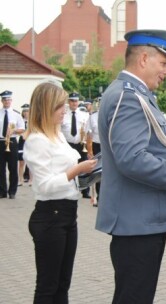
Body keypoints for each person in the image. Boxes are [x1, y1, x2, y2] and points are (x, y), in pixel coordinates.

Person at [95, 29, 166, 303]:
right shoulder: (128, 96)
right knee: (134, 297)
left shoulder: (134, 94)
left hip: (140, 220)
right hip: (136, 221)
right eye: (164, 63)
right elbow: (131, 158)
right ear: (144, 58)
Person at [24, 80, 97, 303]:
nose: (64, 110)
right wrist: (76, 171)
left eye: (65, 105)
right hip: (50, 215)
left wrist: (89, 173)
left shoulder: (57, 135)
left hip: (66, 213)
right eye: (59, 106)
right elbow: (45, 184)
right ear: (46, 108)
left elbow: (67, 175)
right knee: (48, 286)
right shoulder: (37, 140)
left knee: (62, 284)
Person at [61, 92, 90, 199]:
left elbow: (88, 131)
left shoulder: (84, 115)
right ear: (69, 102)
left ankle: (85, 190)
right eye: (72, 101)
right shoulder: (63, 115)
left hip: (81, 144)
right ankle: (68, 187)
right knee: (68, 167)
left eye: (76, 101)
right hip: (68, 145)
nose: (74, 103)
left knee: (84, 167)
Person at [0, 90, 25, 199]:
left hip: (12, 142)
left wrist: (13, 132)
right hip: (0, 142)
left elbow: (22, 129)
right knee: (1, 169)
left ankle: (12, 191)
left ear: (11, 101)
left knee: (13, 167)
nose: (7, 101)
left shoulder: (16, 114)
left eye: (8, 99)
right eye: (5, 99)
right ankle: (2, 191)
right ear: (2, 101)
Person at [85, 99, 100, 207]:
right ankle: (99, 197)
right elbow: (89, 134)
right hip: (97, 145)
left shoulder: (114, 114)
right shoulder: (93, 117)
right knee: (98, 172)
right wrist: (89, 151)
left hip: (109, 145)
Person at [18, 103, 30, 186]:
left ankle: (30, 180)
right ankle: (20, 179)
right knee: (21, 161)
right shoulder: (20, 120)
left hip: (30, 141)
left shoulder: (33, 121)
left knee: (30, 161)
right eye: (24, 111)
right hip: (22, 141)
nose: (26, 113)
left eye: (27, 111)